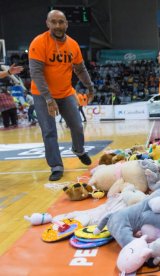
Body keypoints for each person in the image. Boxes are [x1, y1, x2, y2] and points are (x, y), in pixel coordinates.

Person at [28, 10, 94, 181]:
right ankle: (56, 165)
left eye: (61, 22)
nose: (57, 25)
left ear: (66, 24)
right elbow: (36, 73)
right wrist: (49, 99)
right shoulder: (39, 42)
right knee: (49, 131)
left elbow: (80, 69)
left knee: (77, 126)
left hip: (65, 93)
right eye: (54, 22)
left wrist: (90, 87)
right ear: (47, 23)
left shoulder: (73, 45)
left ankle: (78, 150)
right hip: (42, 95)